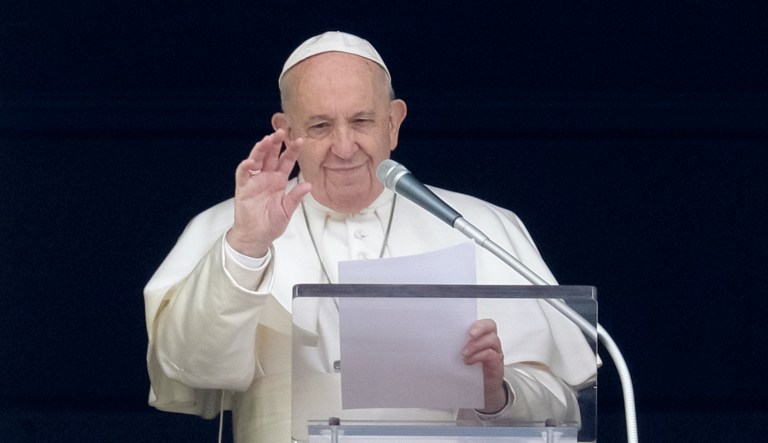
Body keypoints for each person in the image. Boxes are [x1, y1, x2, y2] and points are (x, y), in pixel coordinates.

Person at [144, 31, 597, 442]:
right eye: (320, 126)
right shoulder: (231, 228)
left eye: (361, 121)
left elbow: (562, 407)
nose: (344, 148)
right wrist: (247, 246)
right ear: (285, 131)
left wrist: (497, 393)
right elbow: (190, 368)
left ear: (393, 123)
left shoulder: (483, 226)